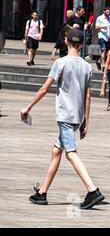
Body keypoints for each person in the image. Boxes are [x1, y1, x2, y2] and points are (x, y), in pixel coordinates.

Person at [22, 29, 105, 209]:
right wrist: (86, 121)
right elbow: (88, 96)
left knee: (71, 153)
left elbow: (44, 89)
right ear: (82, 44)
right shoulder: (86, 66)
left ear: (66, 41)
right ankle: (42, 193)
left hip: (66, 116)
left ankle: (92, 190)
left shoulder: (60, 63)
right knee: (56, 151)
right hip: (76, 116)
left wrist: (28, 107)